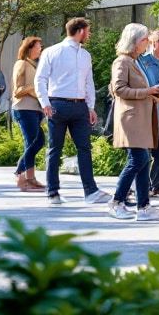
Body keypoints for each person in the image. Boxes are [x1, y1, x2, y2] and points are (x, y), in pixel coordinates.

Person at [35, 18, 112, 207]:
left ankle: (90, 191)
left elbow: (89, 82)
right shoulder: (52, 52)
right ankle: (53, 192)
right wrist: (45, 102)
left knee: (84, 148)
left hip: (80, 107)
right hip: (57, 104)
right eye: (88, 30)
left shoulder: (85, 55)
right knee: (55, 149)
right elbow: (40, 79)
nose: (90, 34)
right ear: (80, 31)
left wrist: (90, 106)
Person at [108, 23, 159, 222]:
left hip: (140, 118)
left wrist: (153, 95)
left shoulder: (135, 61)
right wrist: (147, 92)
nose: (147, 43)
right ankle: (116, 202)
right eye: (144, 39)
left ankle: (143, 206)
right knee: (138, 160)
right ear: (134, 42)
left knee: (143, 160)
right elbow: (119, 90)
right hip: (131, 119)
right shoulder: (122, 62)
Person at [136, 29, 159, 198]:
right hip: (144, 108)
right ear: (153, 42)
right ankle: (136, 186)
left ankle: (158, 185)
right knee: (141, 151)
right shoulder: (141, 61)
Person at [9, 37, 47, 192]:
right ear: (30, 48)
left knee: (37, 142)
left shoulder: (33, 66)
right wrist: (36, 88)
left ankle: (30, 178)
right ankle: (21, 173)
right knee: (32, 142)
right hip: (24, 109)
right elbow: (17, 91)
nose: (40, 49)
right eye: (38, 46)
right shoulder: (21, 64)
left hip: (35, 110)